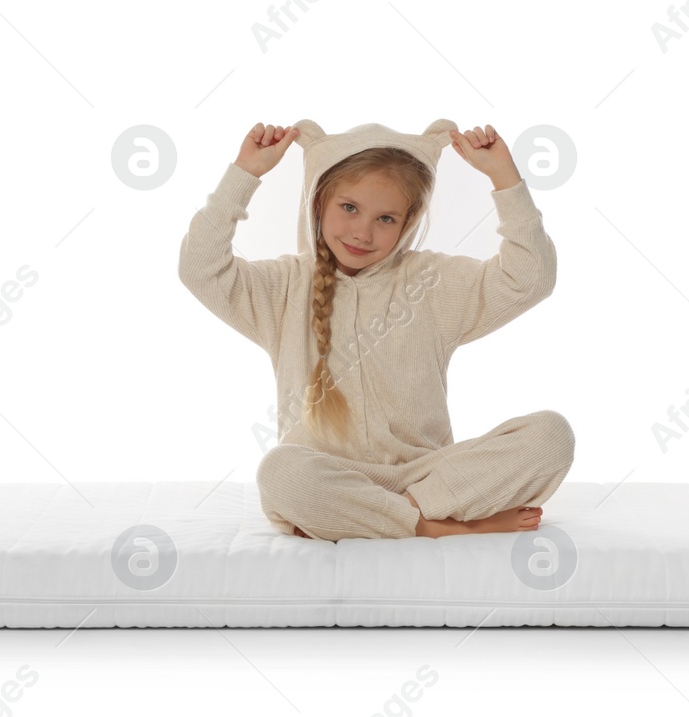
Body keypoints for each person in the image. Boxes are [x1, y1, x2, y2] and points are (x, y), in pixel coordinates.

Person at [178, 119, 573, 541]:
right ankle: (434, 527)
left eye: (386, 218)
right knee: (280, 472)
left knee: (551, 435)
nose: (362, 233)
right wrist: (246, 172)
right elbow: (200, 268)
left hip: (427, 476)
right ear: (317, 204)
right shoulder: (283, 287)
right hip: (331, 476)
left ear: (407, 222)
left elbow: (530, 278)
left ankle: (393, 516)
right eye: (349, 208)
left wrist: (503, 178)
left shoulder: (432, 281)